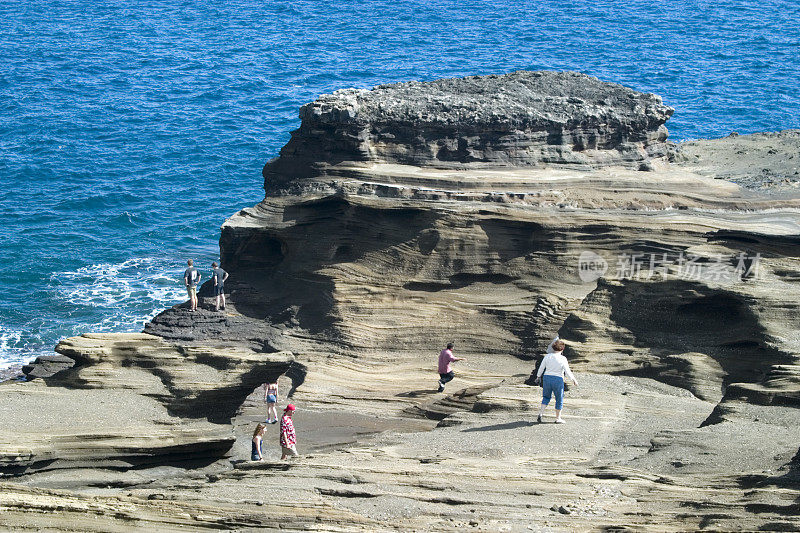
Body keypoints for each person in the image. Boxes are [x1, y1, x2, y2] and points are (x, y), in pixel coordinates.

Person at [535, 336, 578, 424]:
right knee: (559, 398)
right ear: (562, 349)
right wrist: (573, 379)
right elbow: (567, 371)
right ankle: (558, 418)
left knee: (546, 397)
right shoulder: (563, 359)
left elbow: (541, 368)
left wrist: (538, 376)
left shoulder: (547, 356)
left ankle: (541, 414)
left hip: (547, 378)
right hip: (558, 379)